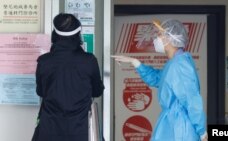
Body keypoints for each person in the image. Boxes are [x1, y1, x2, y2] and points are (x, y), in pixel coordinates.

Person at [112, 19, 208, 141]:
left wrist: (201, 131)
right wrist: (134, 62)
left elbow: (191, 99)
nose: (156, 39)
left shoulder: (180, 64)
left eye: (159, 35)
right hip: (172, 125)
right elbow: (158, 78)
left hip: (180, 129)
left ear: (170, 38)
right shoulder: (174, 63)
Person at [32, 13, 104, 141]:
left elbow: (40, 92)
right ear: (78, 35)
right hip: (81, 130)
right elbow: (97, 91)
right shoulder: (89, 60)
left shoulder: (44, 61)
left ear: (55, 34)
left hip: (49, 130)